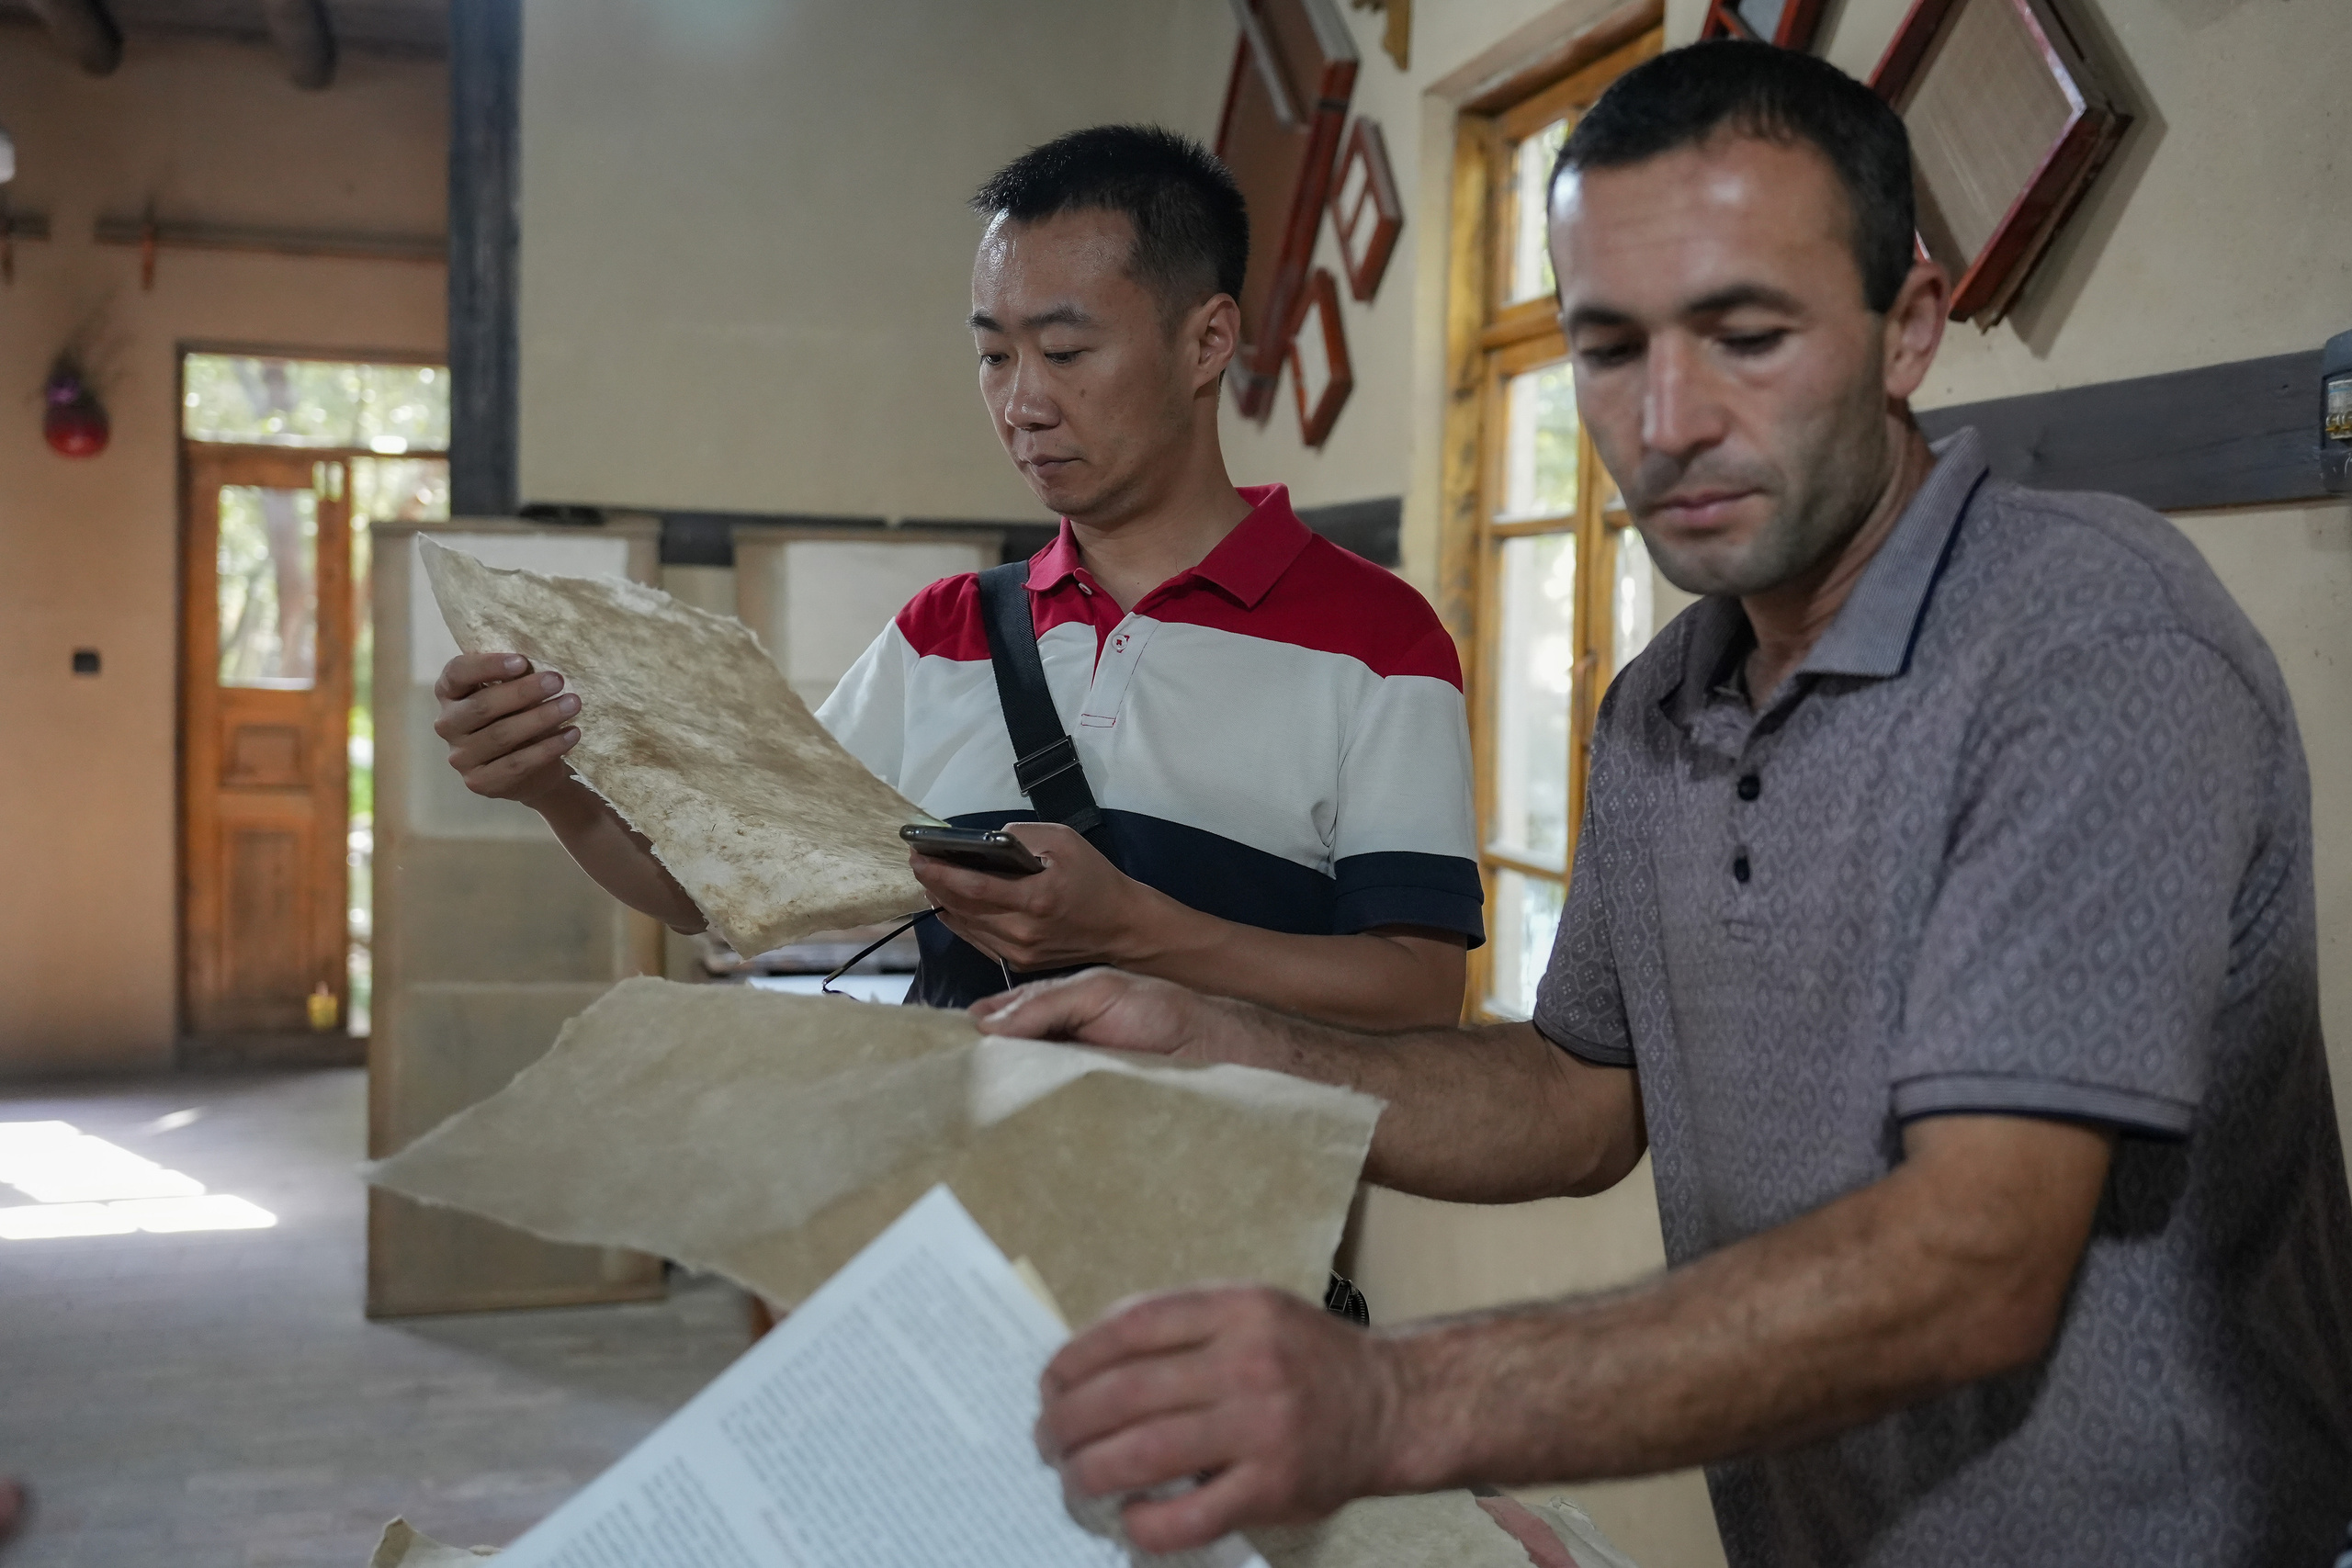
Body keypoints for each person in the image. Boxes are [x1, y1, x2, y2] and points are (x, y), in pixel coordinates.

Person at [974, 41, 2352, 1568]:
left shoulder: (2087, 642)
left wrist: (1394, 1401)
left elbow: (1981, 1254)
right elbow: (1576, 1099)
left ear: (1907, 328)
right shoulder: (1662, 702)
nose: (1668, 415)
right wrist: (1221, 1033)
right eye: (1610, 348)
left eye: (1745, 333)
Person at [432, 126, 1481, 1024]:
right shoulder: (943, 632)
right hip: (952, 1220)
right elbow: (709, 883)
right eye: (993, 355)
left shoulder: (1376, 640)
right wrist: (554, 788)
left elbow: (1418, 990)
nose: (1021, 403)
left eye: (1065, 353)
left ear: (1206, 341)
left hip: (1234, 1242)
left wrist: (1139, 933)